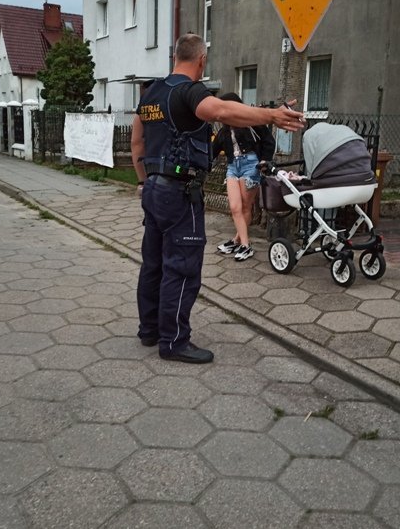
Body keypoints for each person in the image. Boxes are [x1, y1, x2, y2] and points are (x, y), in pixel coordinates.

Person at [130, 33, 304, 364]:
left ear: (175, 57)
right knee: (181, 267)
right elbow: (221, 110)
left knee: (153, 264)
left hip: (152, 189)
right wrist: (271, 115)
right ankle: (174, 342)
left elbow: (137, 142)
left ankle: (149, 330)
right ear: (201, 60)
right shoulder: (188, 91)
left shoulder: (151, 92)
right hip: (180, 193)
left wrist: (143, 181)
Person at [212, 92, 276, 261]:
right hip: (232, 167)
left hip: (251, 165)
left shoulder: (250, 122)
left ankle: (244, 245)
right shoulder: (224, 131)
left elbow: (269, 141)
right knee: (235, 207)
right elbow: (212, 151)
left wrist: (265, 160)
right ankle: (240, 242)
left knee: (246, 207)